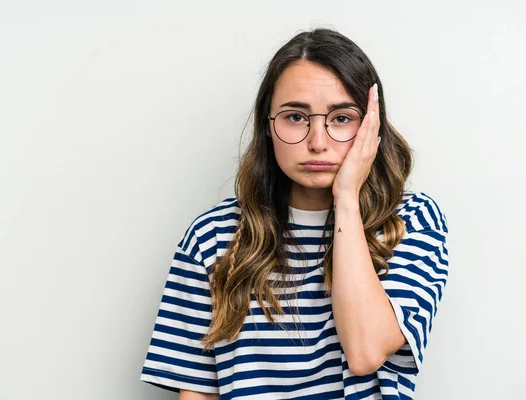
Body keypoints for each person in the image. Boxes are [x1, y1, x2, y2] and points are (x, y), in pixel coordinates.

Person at [140, 27, 449, 400]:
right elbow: (198, 392)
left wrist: (347, 197)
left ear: (371, 125)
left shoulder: (411, 222)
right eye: (296, 117)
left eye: (341, 118)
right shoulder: (212, 237)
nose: (317, 142)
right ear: (267, 126)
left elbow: (366, 352)